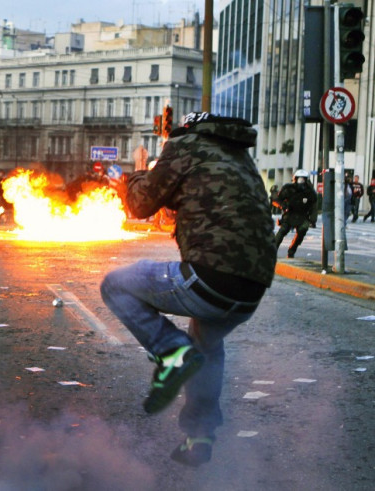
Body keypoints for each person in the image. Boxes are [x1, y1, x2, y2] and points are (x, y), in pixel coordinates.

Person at [100, 112, 276, 467]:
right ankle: (200, 435)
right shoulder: (239, 156)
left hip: (209, 278)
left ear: (182, 130)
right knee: (207, 343)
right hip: (251, 291)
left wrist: (130, 179)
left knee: (117, 285)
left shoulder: (184, 145)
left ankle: (170, 351)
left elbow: (139, 204)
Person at [274, 169, 318, 258]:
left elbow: (314, 206)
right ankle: (272, 250)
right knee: (283, 231)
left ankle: (292, 251)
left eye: (303, 179)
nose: (301, 181)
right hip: (290, 214)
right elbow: (277, 199)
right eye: (299, 179)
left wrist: (312, 220)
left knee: (302, 230)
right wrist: (283, 206)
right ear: (295, 179)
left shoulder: (310, 192)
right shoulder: (288, 188)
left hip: (303, 215)